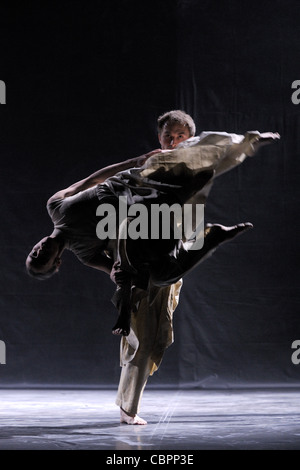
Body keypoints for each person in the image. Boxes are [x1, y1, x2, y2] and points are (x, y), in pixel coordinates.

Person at [26, 110, 279, 424]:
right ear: (56, 262)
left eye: (33, 253)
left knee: (182, 163)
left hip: (139, 189)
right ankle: (128, 408)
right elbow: (117, 270)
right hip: (147, 234)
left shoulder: (56, 206)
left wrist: (134, 160)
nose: (38, 251)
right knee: (147, 330)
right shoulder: (85, 253)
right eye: (41, 259)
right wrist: (120, 276)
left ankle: (247, 142)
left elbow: (93, 179)